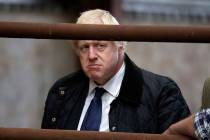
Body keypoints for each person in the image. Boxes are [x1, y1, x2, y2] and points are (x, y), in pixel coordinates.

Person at [41, 9, 190, 133]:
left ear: (120, 47)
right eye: (84, 47)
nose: (91, 56)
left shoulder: (162, 93)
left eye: (100, 46)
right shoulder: (62, 91)